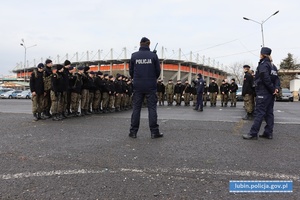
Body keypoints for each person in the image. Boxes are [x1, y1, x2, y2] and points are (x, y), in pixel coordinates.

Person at [129, 37, 162, 139]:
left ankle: (133, 132)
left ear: (140, 44)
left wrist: (137, 78)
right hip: (150, 85)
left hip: (138, 85)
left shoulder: (134, 56)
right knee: (152, 108)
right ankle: (154, 132)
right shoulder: (153, 56)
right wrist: (152, 78)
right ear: (149, 44)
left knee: (136, 108)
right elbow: (158, 71)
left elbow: (131, 71)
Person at [243, 47, 280, 140]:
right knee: (269, 113)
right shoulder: (273, 66)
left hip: (263, 92)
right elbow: (277, 79)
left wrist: (272, 89)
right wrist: (276, 89)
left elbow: (265, 78)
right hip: (271, 93)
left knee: (259, 113)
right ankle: (268, 133)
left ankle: (253, 133)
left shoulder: (264, 64)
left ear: (262, 54)